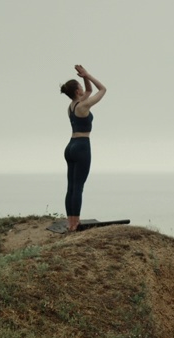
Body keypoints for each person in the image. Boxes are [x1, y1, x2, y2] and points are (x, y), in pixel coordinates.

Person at [59, 65, 106, 233]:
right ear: (77, 91)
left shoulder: (72, 106)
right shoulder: (83, 106)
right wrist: (89, 74)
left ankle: (70, 222)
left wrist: (84, 76)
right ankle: (75, 224)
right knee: (78, 187)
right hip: (82, 147)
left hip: (70, 146)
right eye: (80, 85)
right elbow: (102, 89)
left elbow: (89, 89)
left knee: (71, 186)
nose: (83, 88)